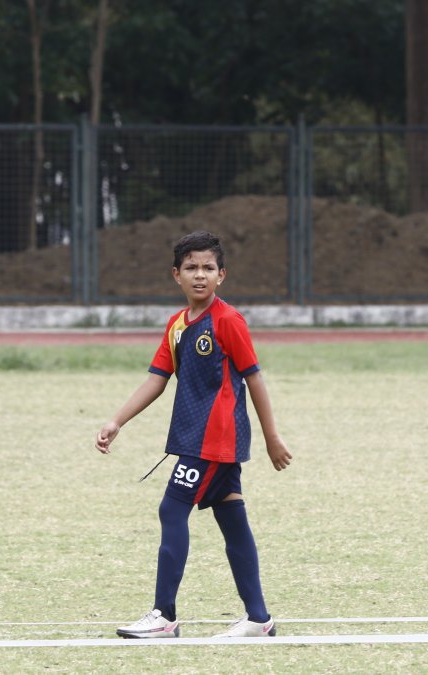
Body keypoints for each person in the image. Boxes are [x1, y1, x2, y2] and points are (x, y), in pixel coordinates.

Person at [95, 231, 293, 640]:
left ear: (222, 275)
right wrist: (117, 421)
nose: (199, 275)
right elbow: (156, 380)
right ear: (176, 275)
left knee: (171, 510)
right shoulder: (177, 325)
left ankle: (164, 616)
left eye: (208, 268)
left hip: (213, 441)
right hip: (197, 440)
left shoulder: (228, 321)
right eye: (191, 268)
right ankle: (259, 618)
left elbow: (254, 378)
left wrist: (272, 437)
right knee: (232, 520)